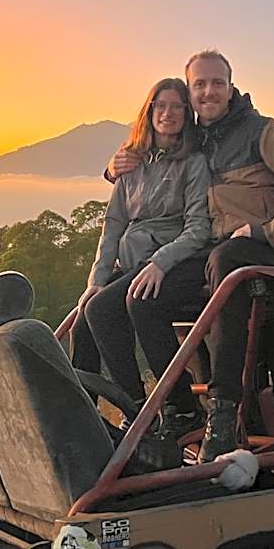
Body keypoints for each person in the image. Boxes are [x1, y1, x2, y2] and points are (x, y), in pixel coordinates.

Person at [106, 50, 274, 462]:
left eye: (217, 83)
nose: (209, 91)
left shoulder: (261, 132)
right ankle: (177, 408)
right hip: (206, 249)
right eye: (200, 84)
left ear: (231, 87)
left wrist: (272, 229)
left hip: (254, 248)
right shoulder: (192, 136)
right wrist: (116, 167)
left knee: (227, 259)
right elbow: (154, 156)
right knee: (142, 297)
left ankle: (224, 412)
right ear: (190, 91)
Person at [71, 77, 211, 438]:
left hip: (167, 259)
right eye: (160, 106)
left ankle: (141, 410)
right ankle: (81, 414)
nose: (168, 114)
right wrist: (96, 280)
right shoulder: (130, 161)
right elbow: (113, 223)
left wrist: (161, 263)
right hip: (130, 261)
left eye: (177, 106)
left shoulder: (193, 163)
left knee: (105, 310)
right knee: (85, 317)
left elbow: (198, 227)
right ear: (149, 112)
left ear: (187, 113)